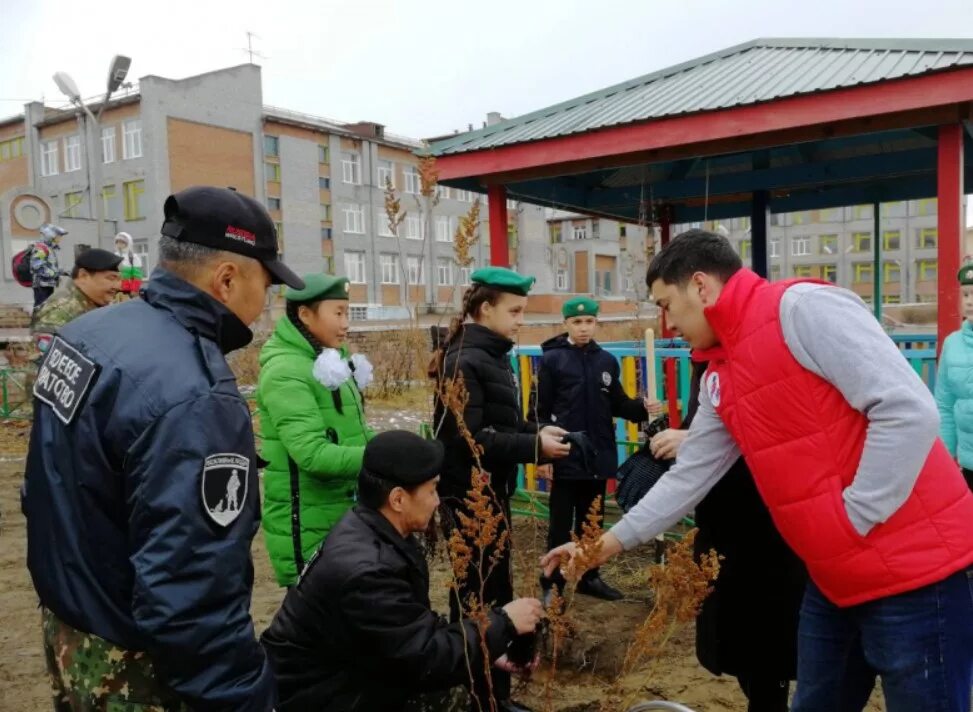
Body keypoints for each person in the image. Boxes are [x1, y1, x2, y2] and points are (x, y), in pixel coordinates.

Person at [543, 229, 973, 712]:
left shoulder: (803, 310)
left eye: (667, 304)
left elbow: (907, 411)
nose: (666, 323)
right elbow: (690, 476)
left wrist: (851, 520)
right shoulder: (721, 370)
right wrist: (603, 545)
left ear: (701, 287)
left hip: (915, 576)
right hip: (832, 580)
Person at [22, 185, 304, 710]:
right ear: (226, 278)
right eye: (266, 283)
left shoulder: (87, 334)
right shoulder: (196, 396)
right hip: (134, 663)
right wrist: (241, 697)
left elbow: (49, 479)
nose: (267, 301)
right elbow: (192, 580)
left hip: (72, 623)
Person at [261, 430, 544, 712]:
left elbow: (410, 629)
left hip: (348, 675)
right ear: (398, 499)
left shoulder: (374, 529)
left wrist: (488, 650)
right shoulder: (367, 571)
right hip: (321, 696)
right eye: (432, 490)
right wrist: (504, 623)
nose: (437, 501)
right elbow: (425, 658)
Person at [432, 266, 570, 712]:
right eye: (514, 311)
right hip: (469, 498)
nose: (521, 320)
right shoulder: (462, 360)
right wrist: (533, 446)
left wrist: (540, 432)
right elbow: (467, 438)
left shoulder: (490, 356)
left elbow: (501, 426)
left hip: (492, 493)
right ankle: (477, 691)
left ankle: (491, 688)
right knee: (476, 593)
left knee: (494, 591)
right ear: (485, 308)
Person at [650, 357, 805, 712]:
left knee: (768, 650)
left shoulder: (756, 354)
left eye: (671, 305)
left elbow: (779, 426)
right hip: (722, 527)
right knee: (741, 648)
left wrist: (693, 439)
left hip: (765, 531)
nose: (672, 322)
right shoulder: (704, 359)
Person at [258, 272, 375, 587]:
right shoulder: (286, 371)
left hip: (343, 518)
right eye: (338, 313)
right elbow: (312, 455)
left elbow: (354, 438)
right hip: (309, 529)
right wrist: (384, 456)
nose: (346, 323)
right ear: (305, 314)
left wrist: (400, 445)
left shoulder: (331, 361)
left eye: (348, 312)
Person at [536, 295, 652, 603]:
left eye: (589, 322)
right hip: (565, 455)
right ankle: (553, 585)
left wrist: (642, 408)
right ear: (566, 324)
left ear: (596, 323)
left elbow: (619, 404)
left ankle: (589, 577)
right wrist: (543, 455)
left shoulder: (606, 361)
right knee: (560, 524)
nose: (584, 328)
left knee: (592, 521)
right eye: (577, 322)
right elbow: (539, 413)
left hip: (598, 455)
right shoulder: (552, 360)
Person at [30, 247, 122, 355]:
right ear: (83, 276)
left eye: (119, 279)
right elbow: (45, 363)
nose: (118, 286)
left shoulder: (92, 304)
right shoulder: (60, 311)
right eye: (111, 278)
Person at [935, 262, 973, 491]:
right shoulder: (952, 344)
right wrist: (946, 458)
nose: (969, 301)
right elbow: (945, 404)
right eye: (966, 294)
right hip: (967, 463)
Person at [30, 222, 67, 307]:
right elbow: (37, 267)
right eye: (59, 236)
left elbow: (50, 266)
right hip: (42, 285)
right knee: (40, 309)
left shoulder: (50, 249)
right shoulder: (41, 248)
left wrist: (63, 272)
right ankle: (37, 320)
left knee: (46, 309)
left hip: (49, 284)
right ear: (50, 235)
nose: (60, 238)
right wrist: (55, 274)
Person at [114, 231, 144, 296]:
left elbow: (137, 276)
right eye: (118, 242)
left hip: (128, 290)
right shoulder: (114, 256)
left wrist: (134, 290)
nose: (119, 244)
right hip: (115, 289)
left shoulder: (133, 257)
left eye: (122, 242)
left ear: (128, 243)